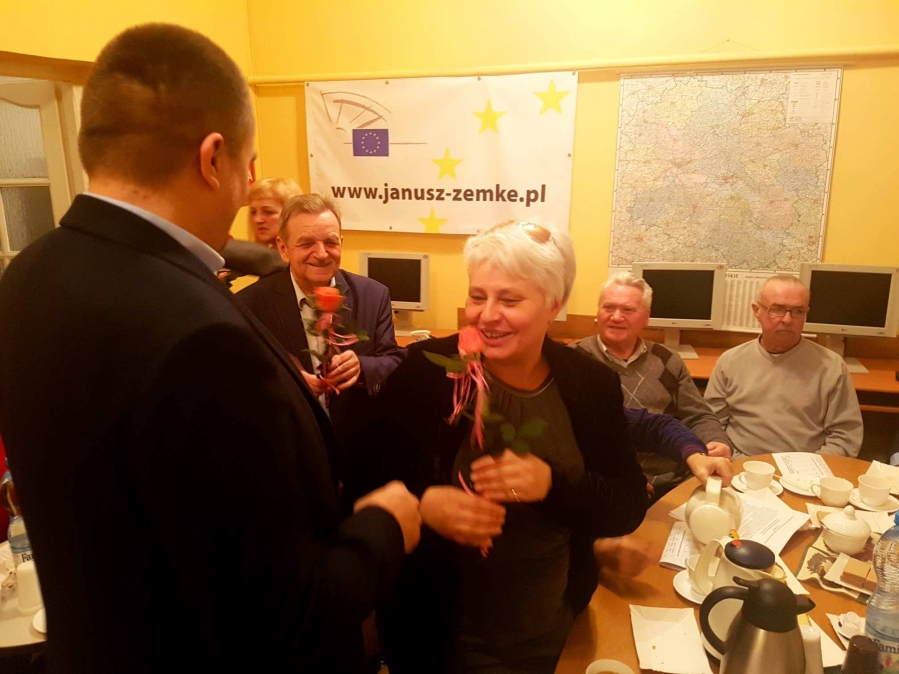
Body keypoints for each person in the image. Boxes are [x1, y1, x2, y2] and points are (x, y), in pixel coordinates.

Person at [0, 24, 421, 674]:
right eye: (249, 166)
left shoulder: (27, 275)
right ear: (214, 157)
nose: (249, 191)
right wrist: (385, 526)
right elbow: (282, 610)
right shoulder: (204, 332)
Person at [347, 221, 648, 674]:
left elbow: (626, 504)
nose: (486, 315)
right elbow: (357, 479)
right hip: (438, 634)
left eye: (509, 300)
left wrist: (552, 484)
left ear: (554, 305)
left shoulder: (590, 384)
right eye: (477, 296)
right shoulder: (425, 373)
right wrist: (423, 505)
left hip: (551, 628)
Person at [237, 194, 405, 457]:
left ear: (341, 243)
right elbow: (240, 381)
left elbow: (394, 359)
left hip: (359, 451)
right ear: (283, 249)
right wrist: (286, 379)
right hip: (289, 450)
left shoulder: (374, 295)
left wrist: (362, 367)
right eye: (306, 243)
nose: (322, 254)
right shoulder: (250, 304)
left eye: (330, 242)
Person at [576, 272, 732, 493]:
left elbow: (698, 415)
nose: (616, 317)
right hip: (609, 485)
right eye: (608, 307)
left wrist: (716, 440)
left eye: (628, 310)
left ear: (646, 318)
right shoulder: (574, 361)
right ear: (598, 311)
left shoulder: (668, 360)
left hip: (675, 479)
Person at [704, 274, 863, 457]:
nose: (787, 319)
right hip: (739, 465)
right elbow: (712, 426)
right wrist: (738, 463)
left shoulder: (832, 367)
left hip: (807, 470)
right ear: (756, 311)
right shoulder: (729, 362)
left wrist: (808, 469)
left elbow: (846, 437)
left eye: (798, 311)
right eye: (777, 309)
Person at [218, 176, 300, 284]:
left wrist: (207, 244)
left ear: (291, 214)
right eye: (253, 212)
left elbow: (268, 258)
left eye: (268, 212)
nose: (257, 219)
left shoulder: (299, 254)